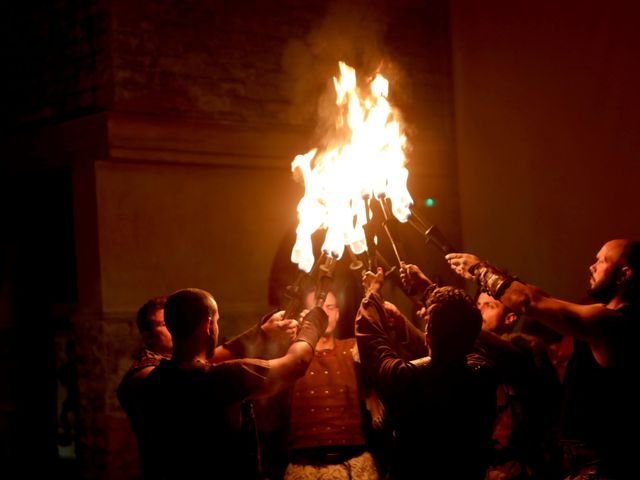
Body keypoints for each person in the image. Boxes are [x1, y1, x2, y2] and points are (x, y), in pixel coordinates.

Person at [446, 239, 640, 479]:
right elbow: (539, 298)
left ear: (624, 275)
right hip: (579, 465)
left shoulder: (614, 323)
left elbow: (530, 302)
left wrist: (480, 270)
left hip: (601, 469)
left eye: (602, 261)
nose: (592, 266)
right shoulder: (602, 318)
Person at [139, 288, 328, 479]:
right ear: (209, 325)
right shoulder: (219, 378)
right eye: (217, 321)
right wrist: (313, 325)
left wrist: (261, 333)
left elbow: (219, 356)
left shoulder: (153, 379)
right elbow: (296, 364)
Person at [355, 267, 498, 479]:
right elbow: (459, 332)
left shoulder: (404, 379)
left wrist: (372, 293)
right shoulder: (484, 371)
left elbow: (372, 340)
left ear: (428, 335)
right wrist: (426, 293)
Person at [284, 289, 380, 480]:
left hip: (353, 465)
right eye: (317, 309)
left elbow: (379, 352)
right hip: (305, 469)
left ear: (337, 313)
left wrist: (373, 294)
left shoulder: (352, 348)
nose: (324, 314)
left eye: (330, 307)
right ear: (305, 315)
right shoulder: (289, 356)